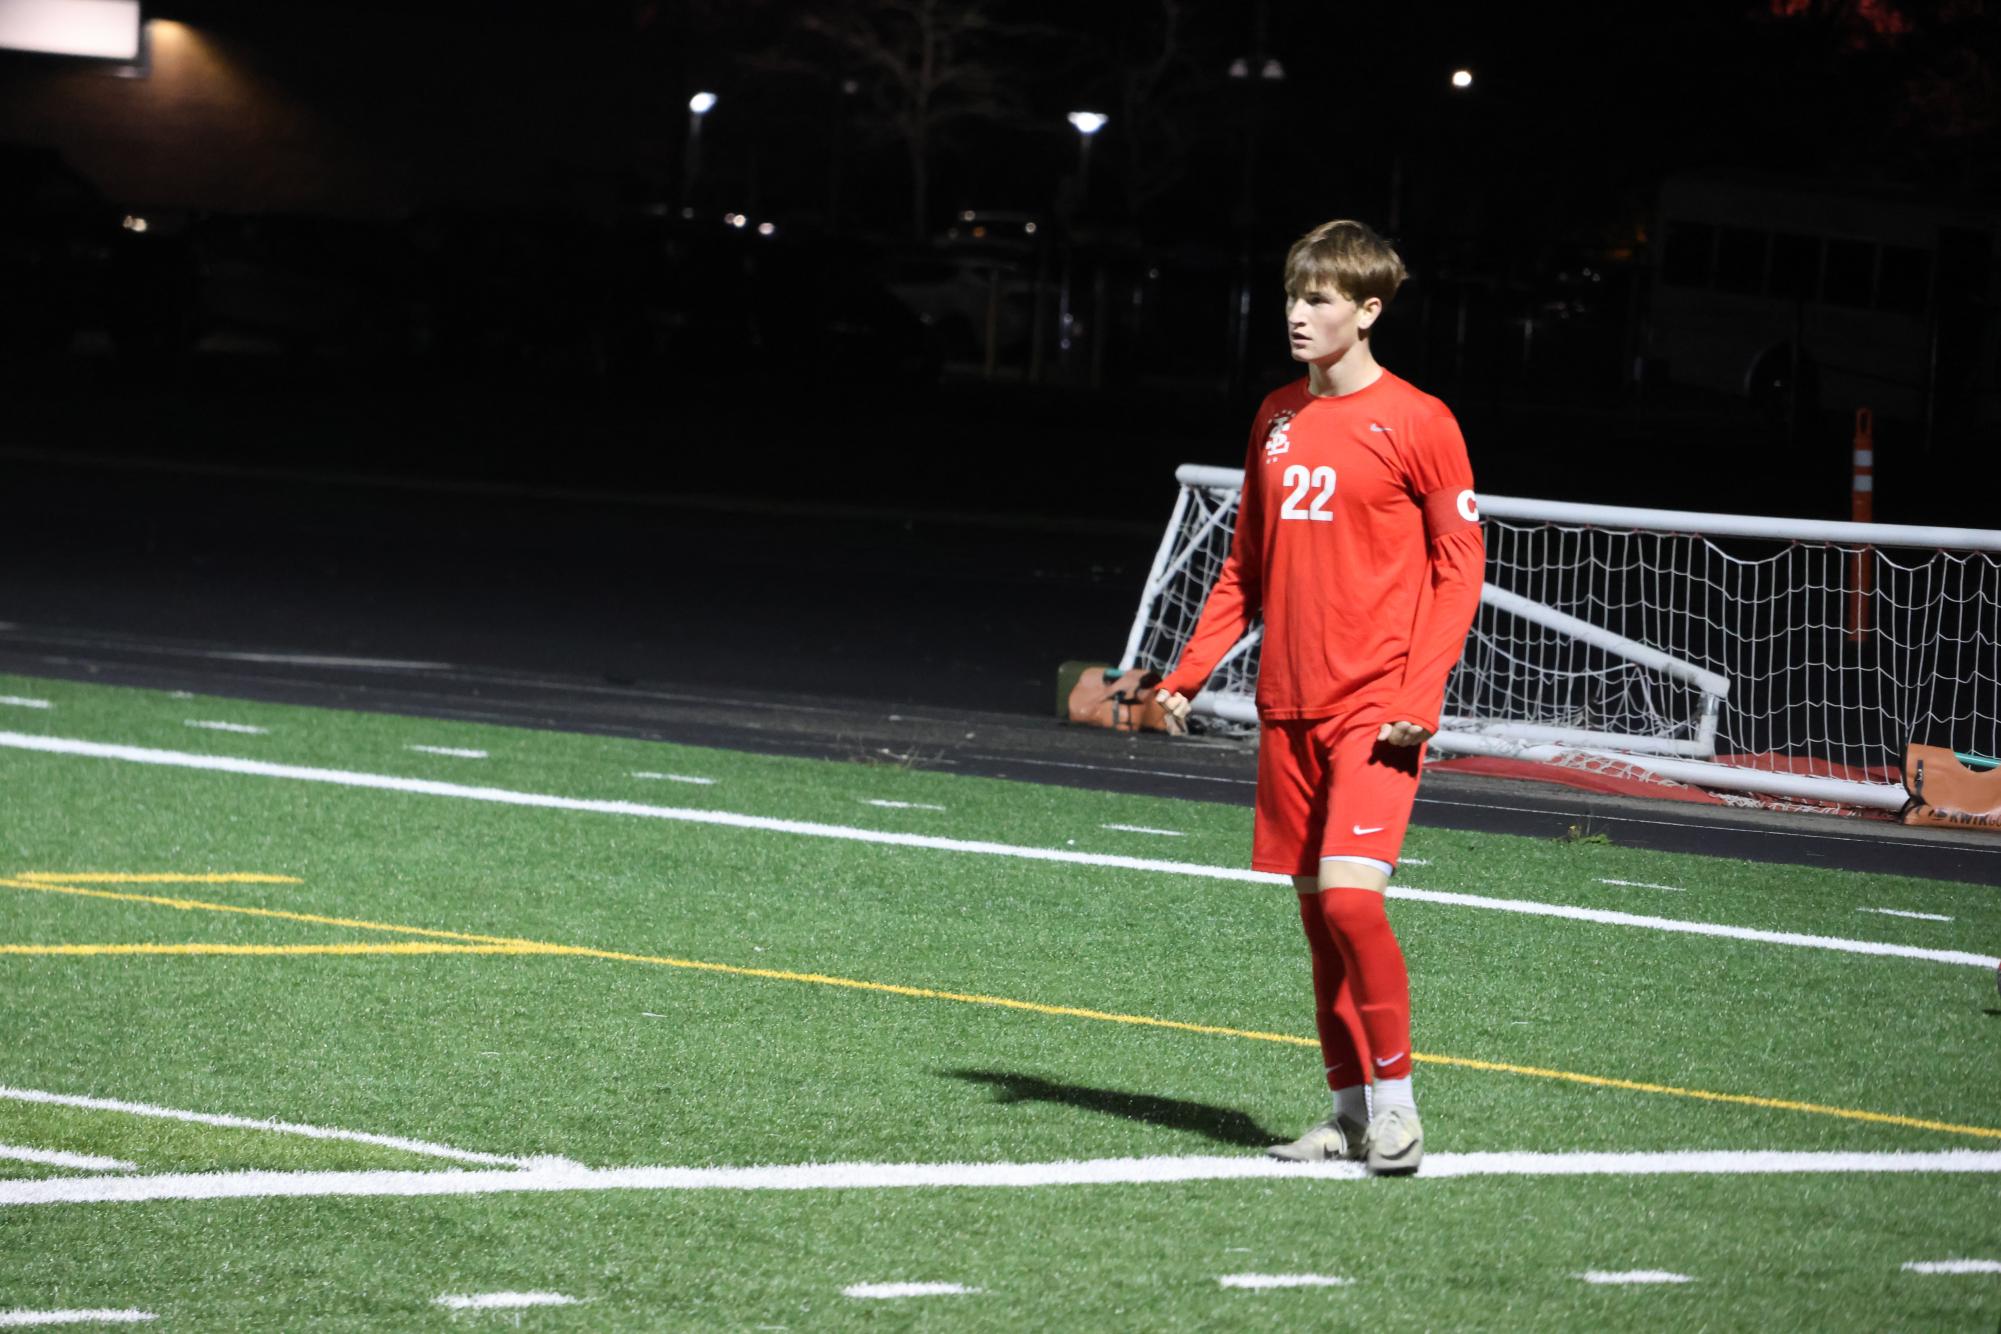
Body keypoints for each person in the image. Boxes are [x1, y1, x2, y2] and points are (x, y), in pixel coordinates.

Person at [1155, 219, 1484, 1175]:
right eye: (1293, 296)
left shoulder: (1420, 419)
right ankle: (1345, 1117)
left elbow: (1458, 569)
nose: (1297, 315)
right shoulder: (1273, 417)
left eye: (1320, 300)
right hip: (1286, 704)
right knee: (1316, 924)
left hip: (1376, 706)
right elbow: (1243, 567)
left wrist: (1420, 693)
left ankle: (1397, 1109)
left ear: (1368, 310)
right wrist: (1187, 674)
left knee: (1349, 907)